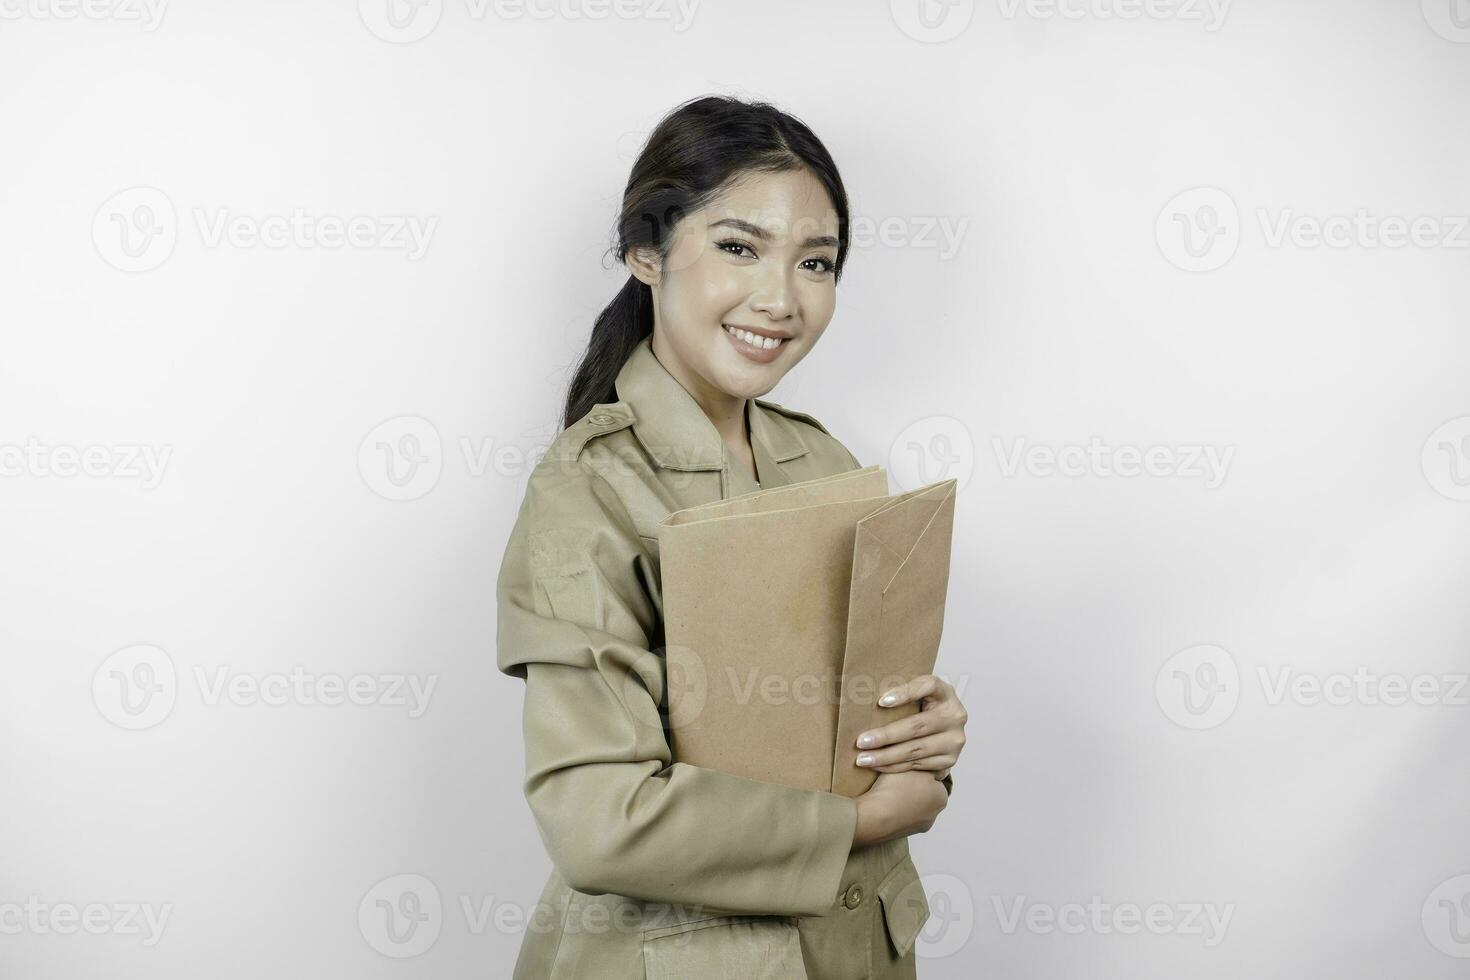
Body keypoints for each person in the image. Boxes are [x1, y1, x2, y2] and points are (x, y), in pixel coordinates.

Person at [496, 94, 969, 979]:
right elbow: (598, 819)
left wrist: (921, 737)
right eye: (739, 247)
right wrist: (865, 819)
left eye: (815, 262)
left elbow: (843, 721)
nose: (780, 298)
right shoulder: (589, 489)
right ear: (647, 252)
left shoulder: (824, 460)